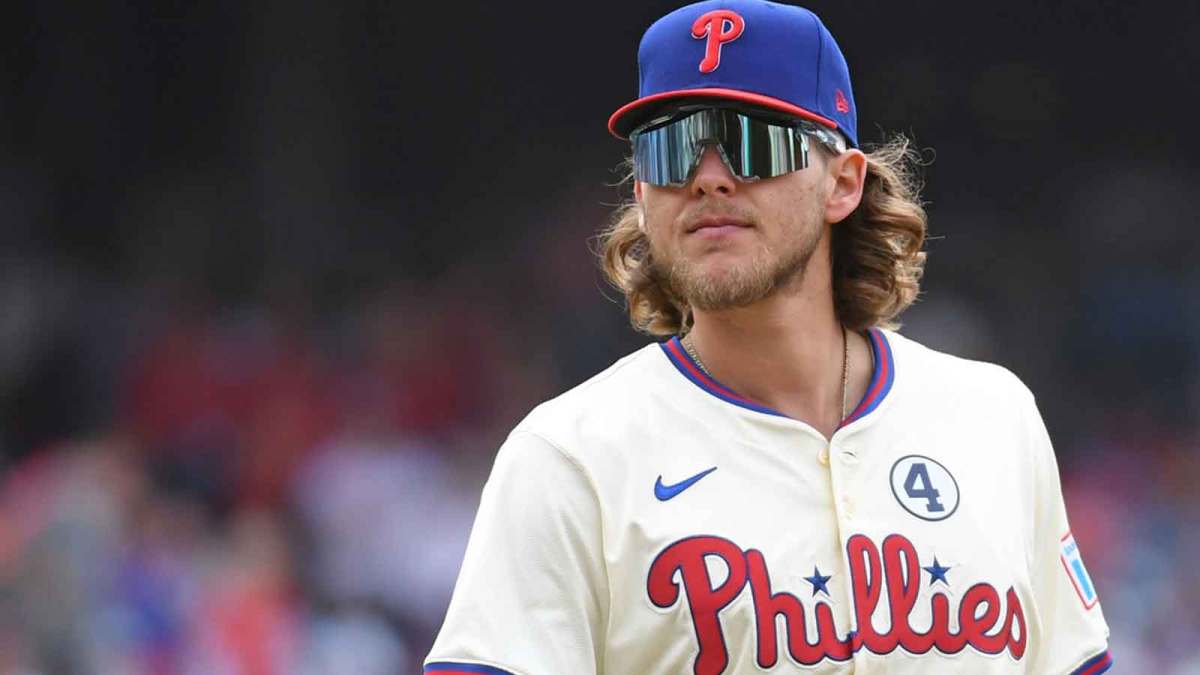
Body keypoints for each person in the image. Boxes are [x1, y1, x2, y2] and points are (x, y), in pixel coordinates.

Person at [424, 1, 1111, 673]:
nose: (710, 178)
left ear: (842, 183)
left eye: (752, 142)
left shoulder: (994, 418)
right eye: (671, 149)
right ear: (642, 191)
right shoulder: (568, 458)